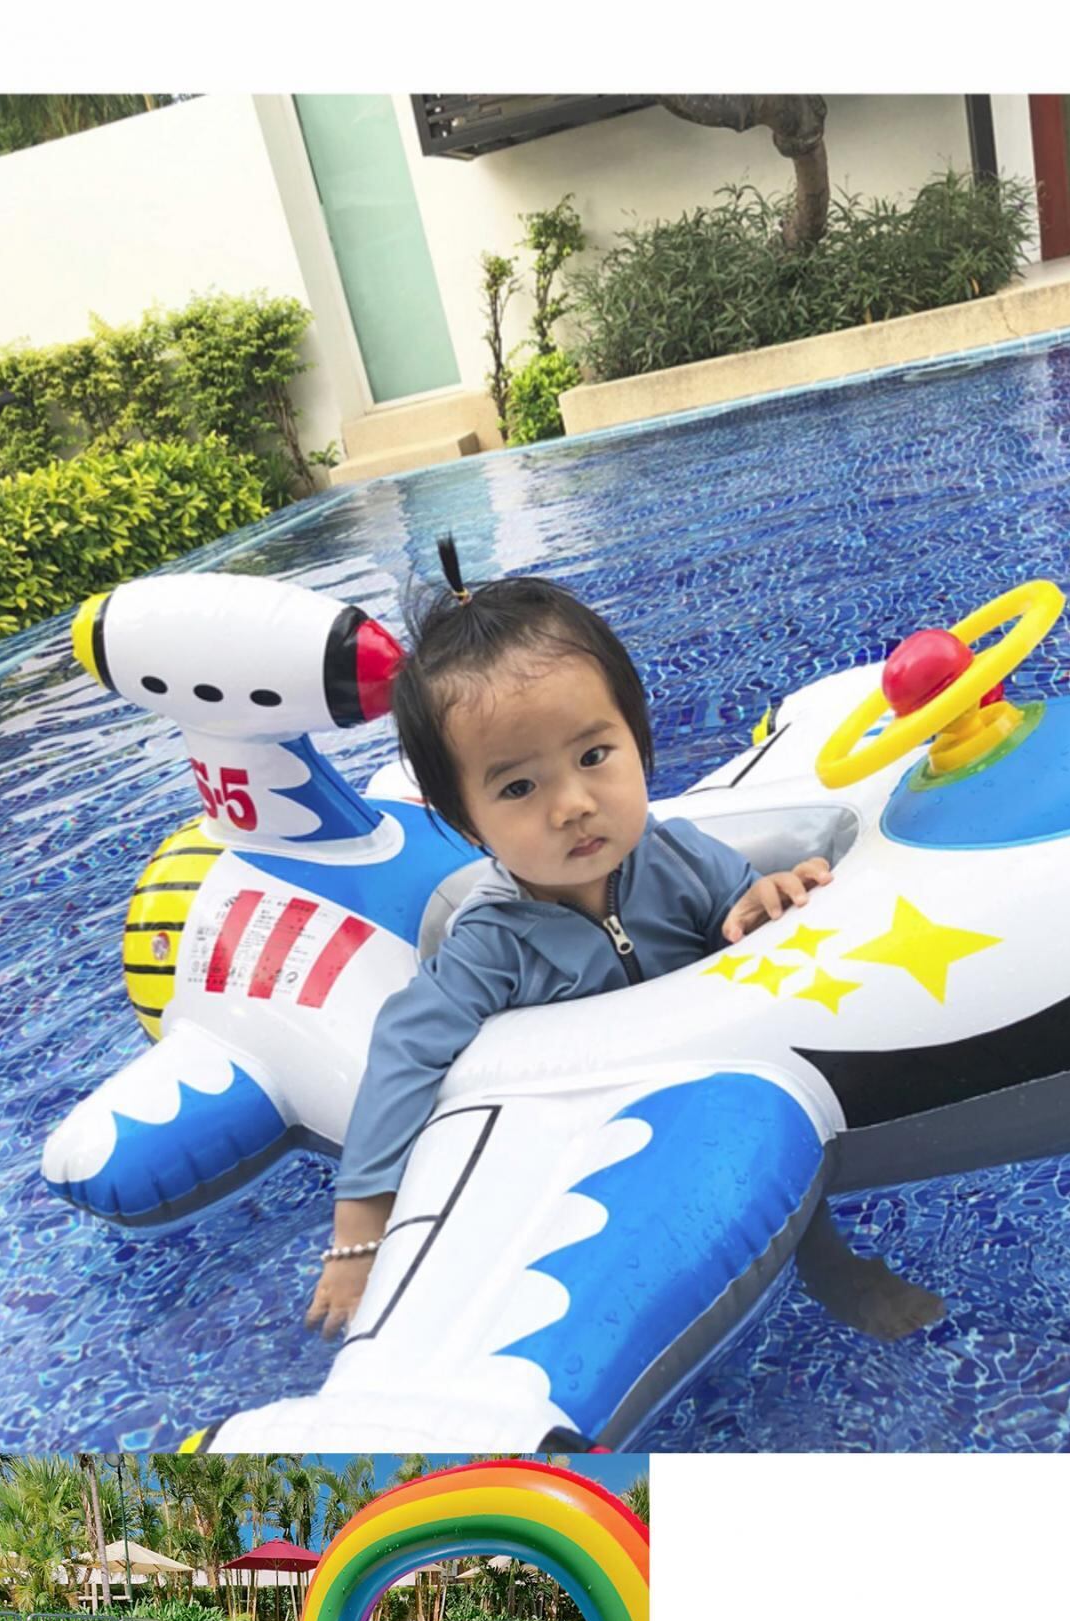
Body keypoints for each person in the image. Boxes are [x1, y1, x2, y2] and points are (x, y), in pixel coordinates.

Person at [309, 549, 832, 1337]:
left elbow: (742, 921)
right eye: (518, 786)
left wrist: (764, 901)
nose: (572, 804)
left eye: (593, 756)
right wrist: (358, 1235)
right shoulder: (490, 944)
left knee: (792, 1186)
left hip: (715, 1107)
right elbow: (405, 1050)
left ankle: (833, 1269)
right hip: (590, 1149)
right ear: (467, 821)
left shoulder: (679, 857)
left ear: (638, 738)